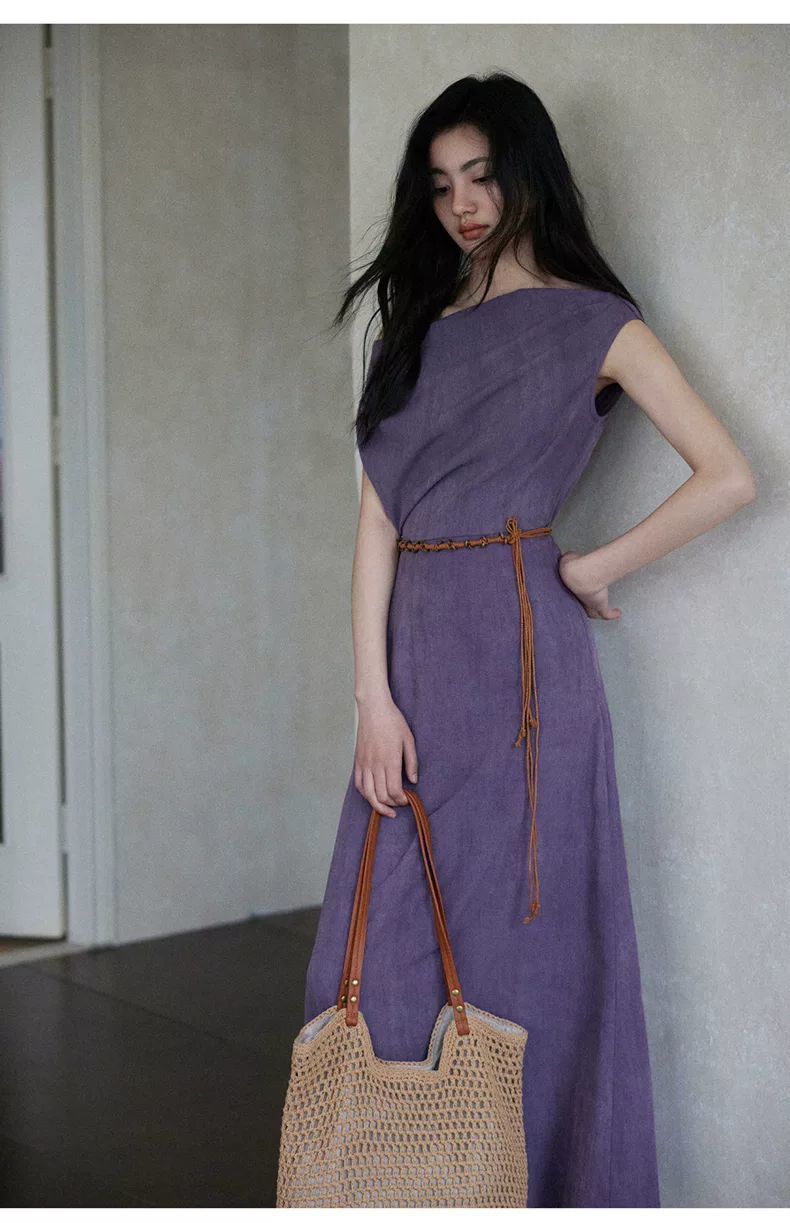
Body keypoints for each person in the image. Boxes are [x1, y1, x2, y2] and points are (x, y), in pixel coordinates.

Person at [301, 71, 757, 1207]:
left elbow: (729, 474)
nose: (462, 204)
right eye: (440, 184)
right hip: (412, 664)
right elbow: (376, 521)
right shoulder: (414, 328)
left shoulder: (596, 323)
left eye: (482, 177)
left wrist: (593, 565)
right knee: (380, 952)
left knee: (524, 946)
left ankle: (541, 1187)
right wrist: (371, 697)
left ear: (527, 176)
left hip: (521, 669)